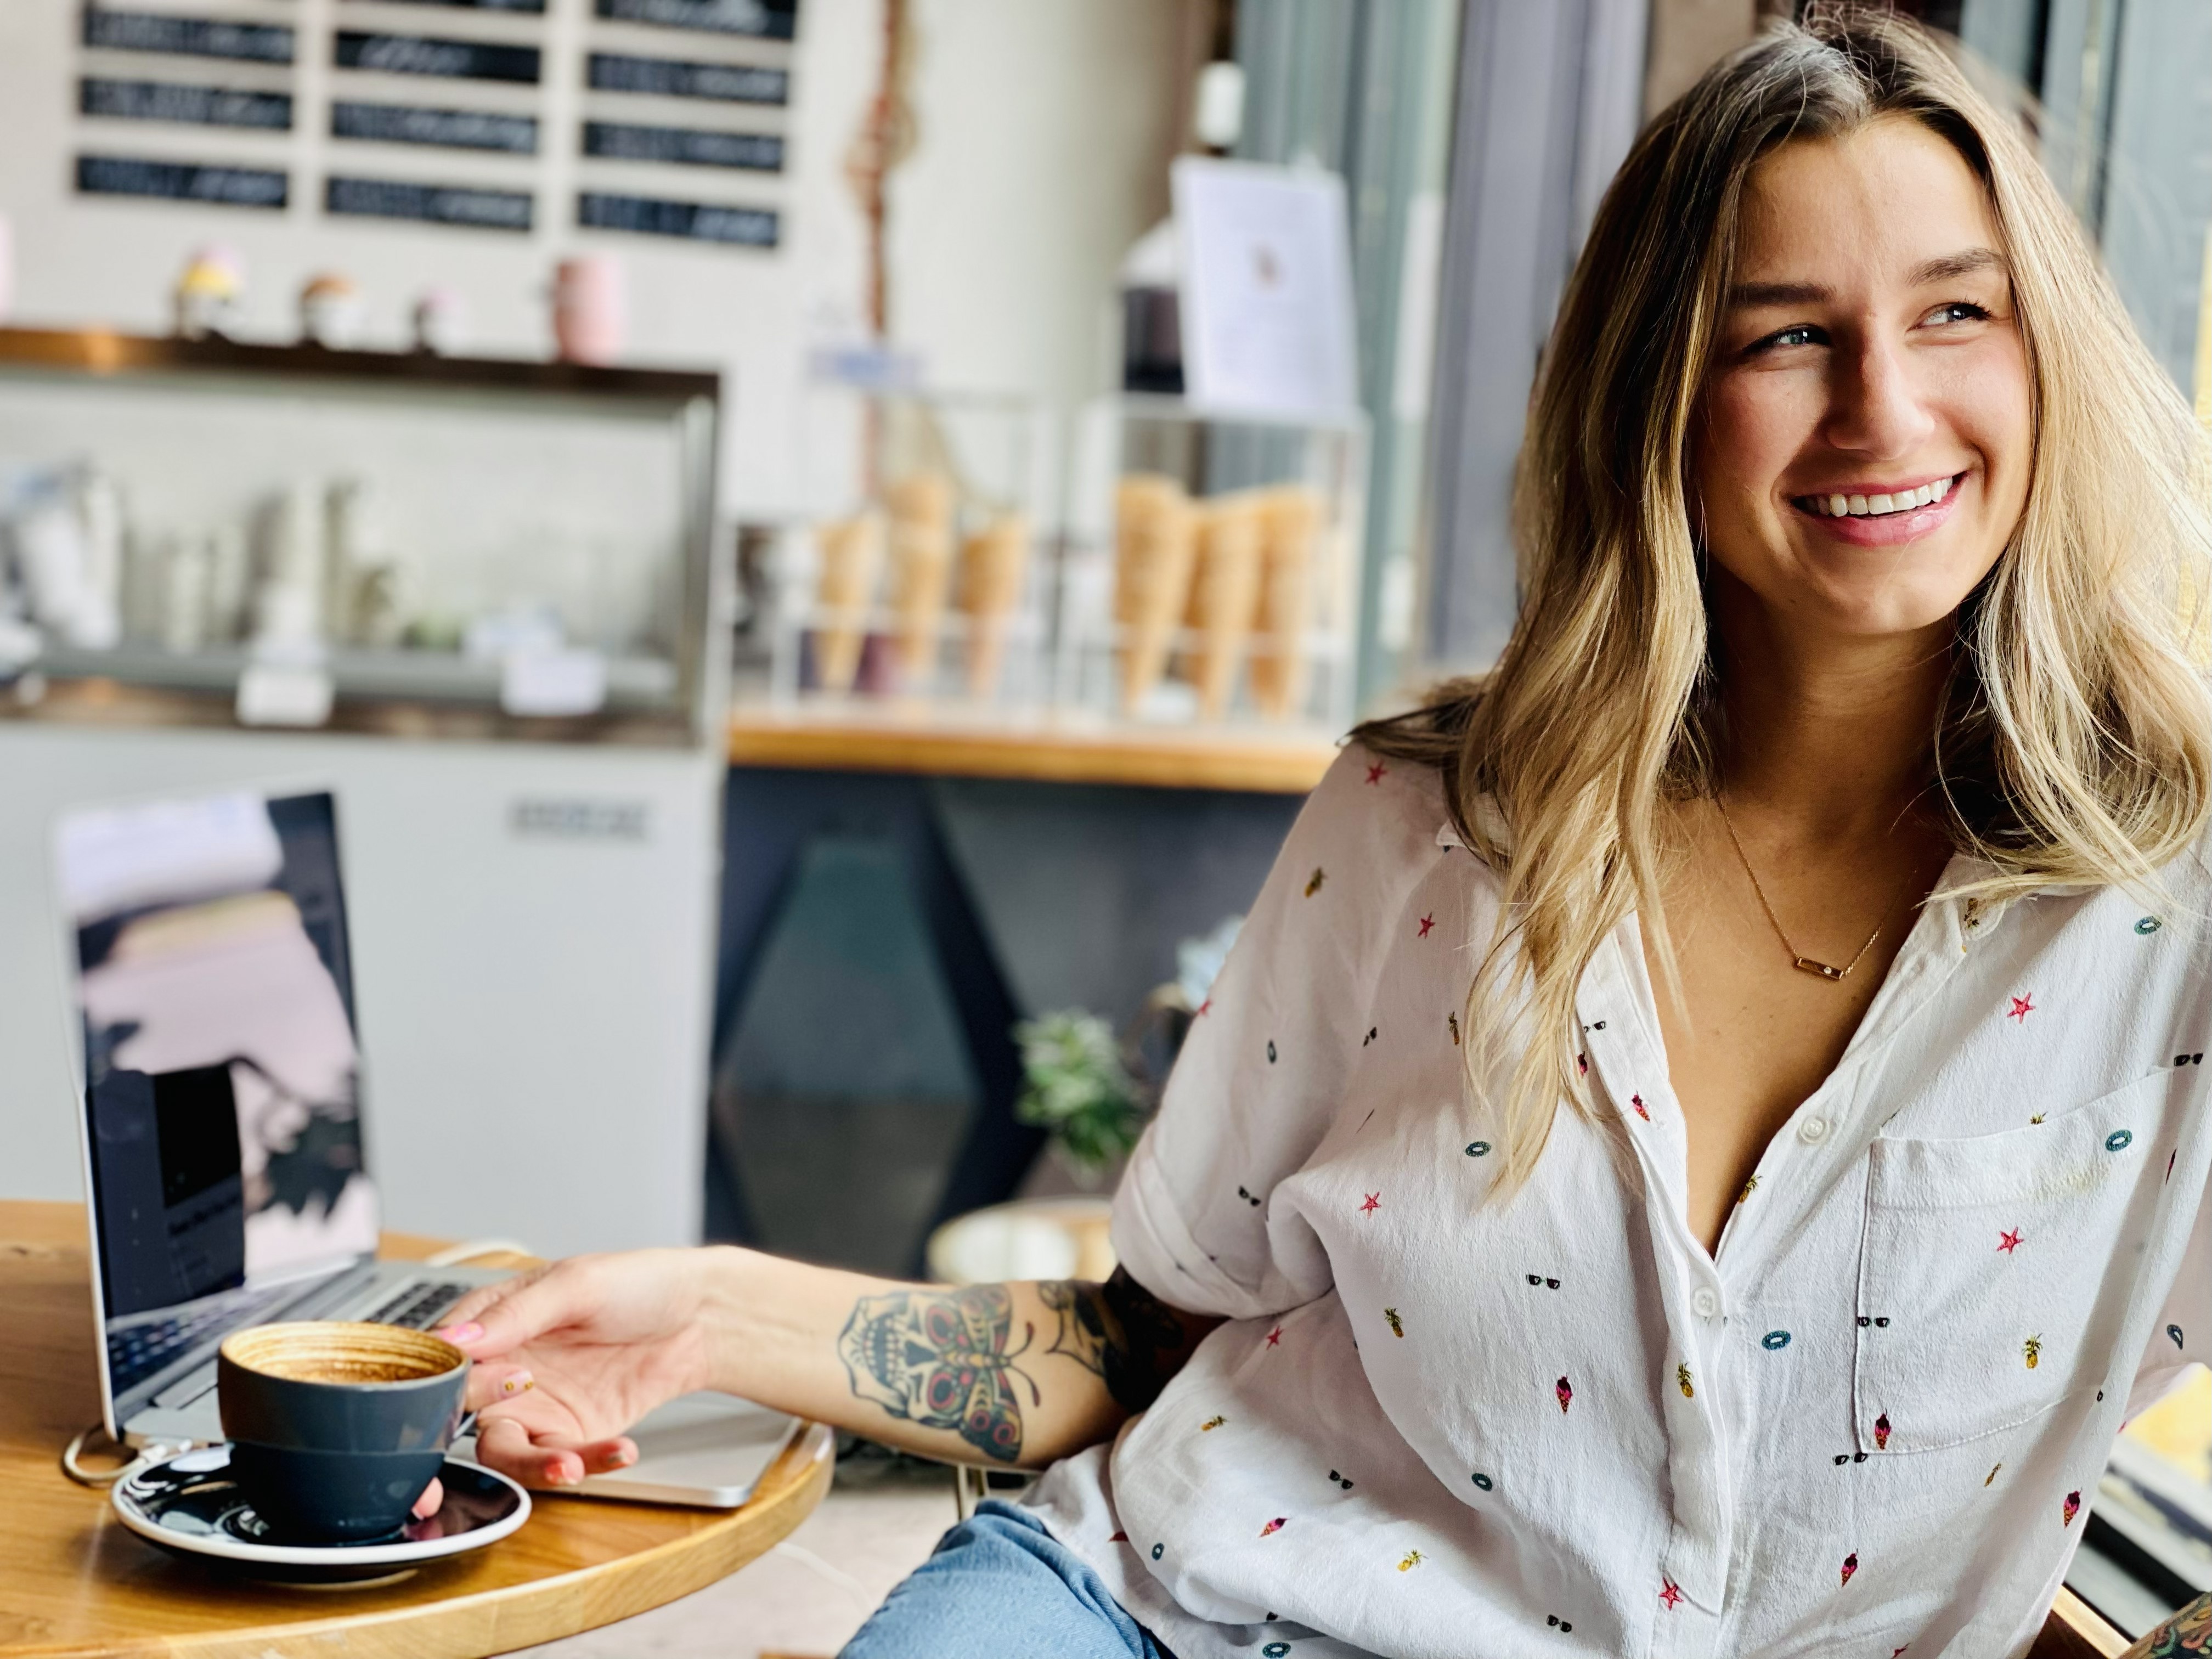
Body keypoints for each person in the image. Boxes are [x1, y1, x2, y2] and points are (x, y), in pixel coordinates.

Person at [435, 11, 2212, 1655]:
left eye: (1957, 313)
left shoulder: (2173, 898)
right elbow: (1155, 1340)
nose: (1886, 407)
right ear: (1659, 396)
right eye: (1788, 334)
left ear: (2048, 351)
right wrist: (712, 1314)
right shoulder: (1432, 822)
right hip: (1165, 1609)